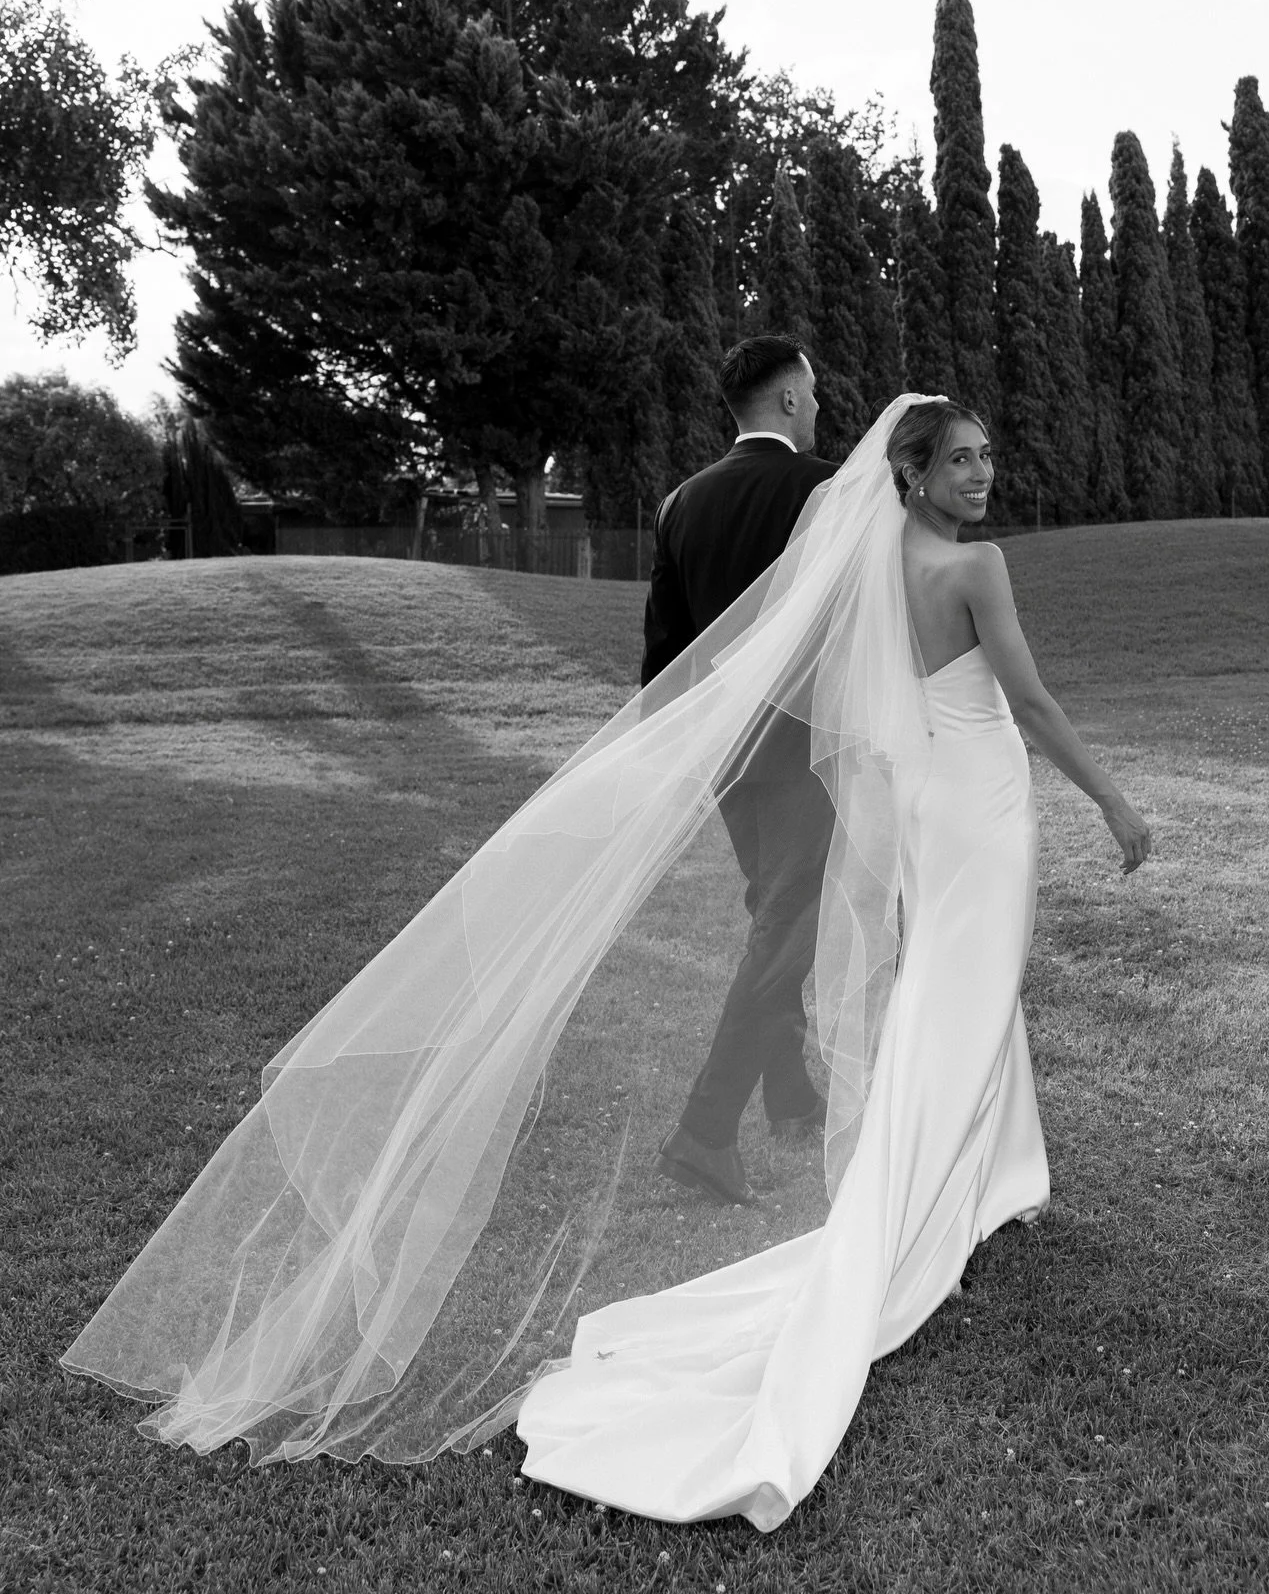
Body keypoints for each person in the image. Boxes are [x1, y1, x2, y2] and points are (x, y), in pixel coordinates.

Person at [60, 393, 1150, 1532]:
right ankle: (914, 1213)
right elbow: (1024, 697)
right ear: (916, 476)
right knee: (959, 1007)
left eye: (987, 455)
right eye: (961, 459)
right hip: (977, 807)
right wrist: (1115, 804)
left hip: (929, 798)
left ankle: (999, 1177)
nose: (983, 474)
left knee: (960, 995)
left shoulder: (872, 561)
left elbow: (823, 686)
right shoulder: (977, 572)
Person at [642, 333, 837, 1207]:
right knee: (788, 925)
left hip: (725, 754)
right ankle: (705, 1131)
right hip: (806, 750)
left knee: (775, 914)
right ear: (791, 400)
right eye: (815, 393)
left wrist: (680, 753)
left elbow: (664, 658)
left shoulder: (680, 501)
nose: (821, 406)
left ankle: (790, 1096)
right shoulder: (827, 490)